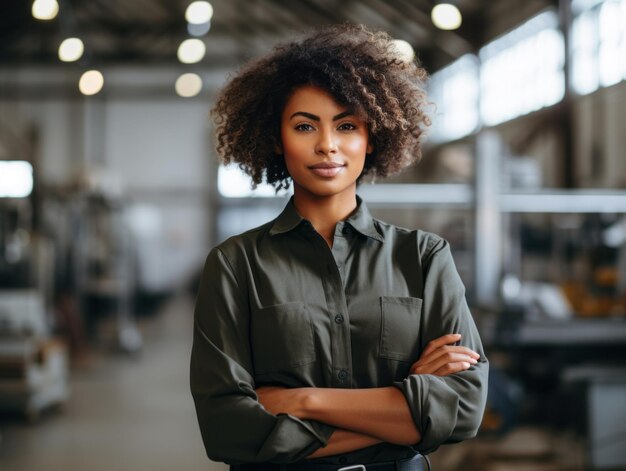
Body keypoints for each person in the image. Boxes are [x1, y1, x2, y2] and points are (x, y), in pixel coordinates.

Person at [190, 24, 488, 471]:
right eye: (305, 126)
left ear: (371, 138)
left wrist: (303, 400)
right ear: (276, 138)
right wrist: (408, 405)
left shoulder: (424, 257)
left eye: (346, 125)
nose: (327, 145)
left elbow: (464, 408)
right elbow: (227, 427)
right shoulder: (236, 265)